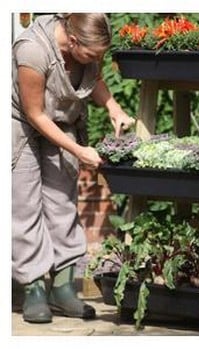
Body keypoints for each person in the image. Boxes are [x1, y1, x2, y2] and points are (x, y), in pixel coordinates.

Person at [12, 13, 135, 323]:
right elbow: (35, 114)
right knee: (23, 204)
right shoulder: (33, 50)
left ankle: (64, 287)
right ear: (74, 42)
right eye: (94, 54)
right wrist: (79, 150)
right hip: (20, 124)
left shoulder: (85, 49)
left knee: (62, 201)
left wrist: (114, 108)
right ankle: (34, 288)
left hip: (62, 120)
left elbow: (94, 79)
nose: (98, 59)